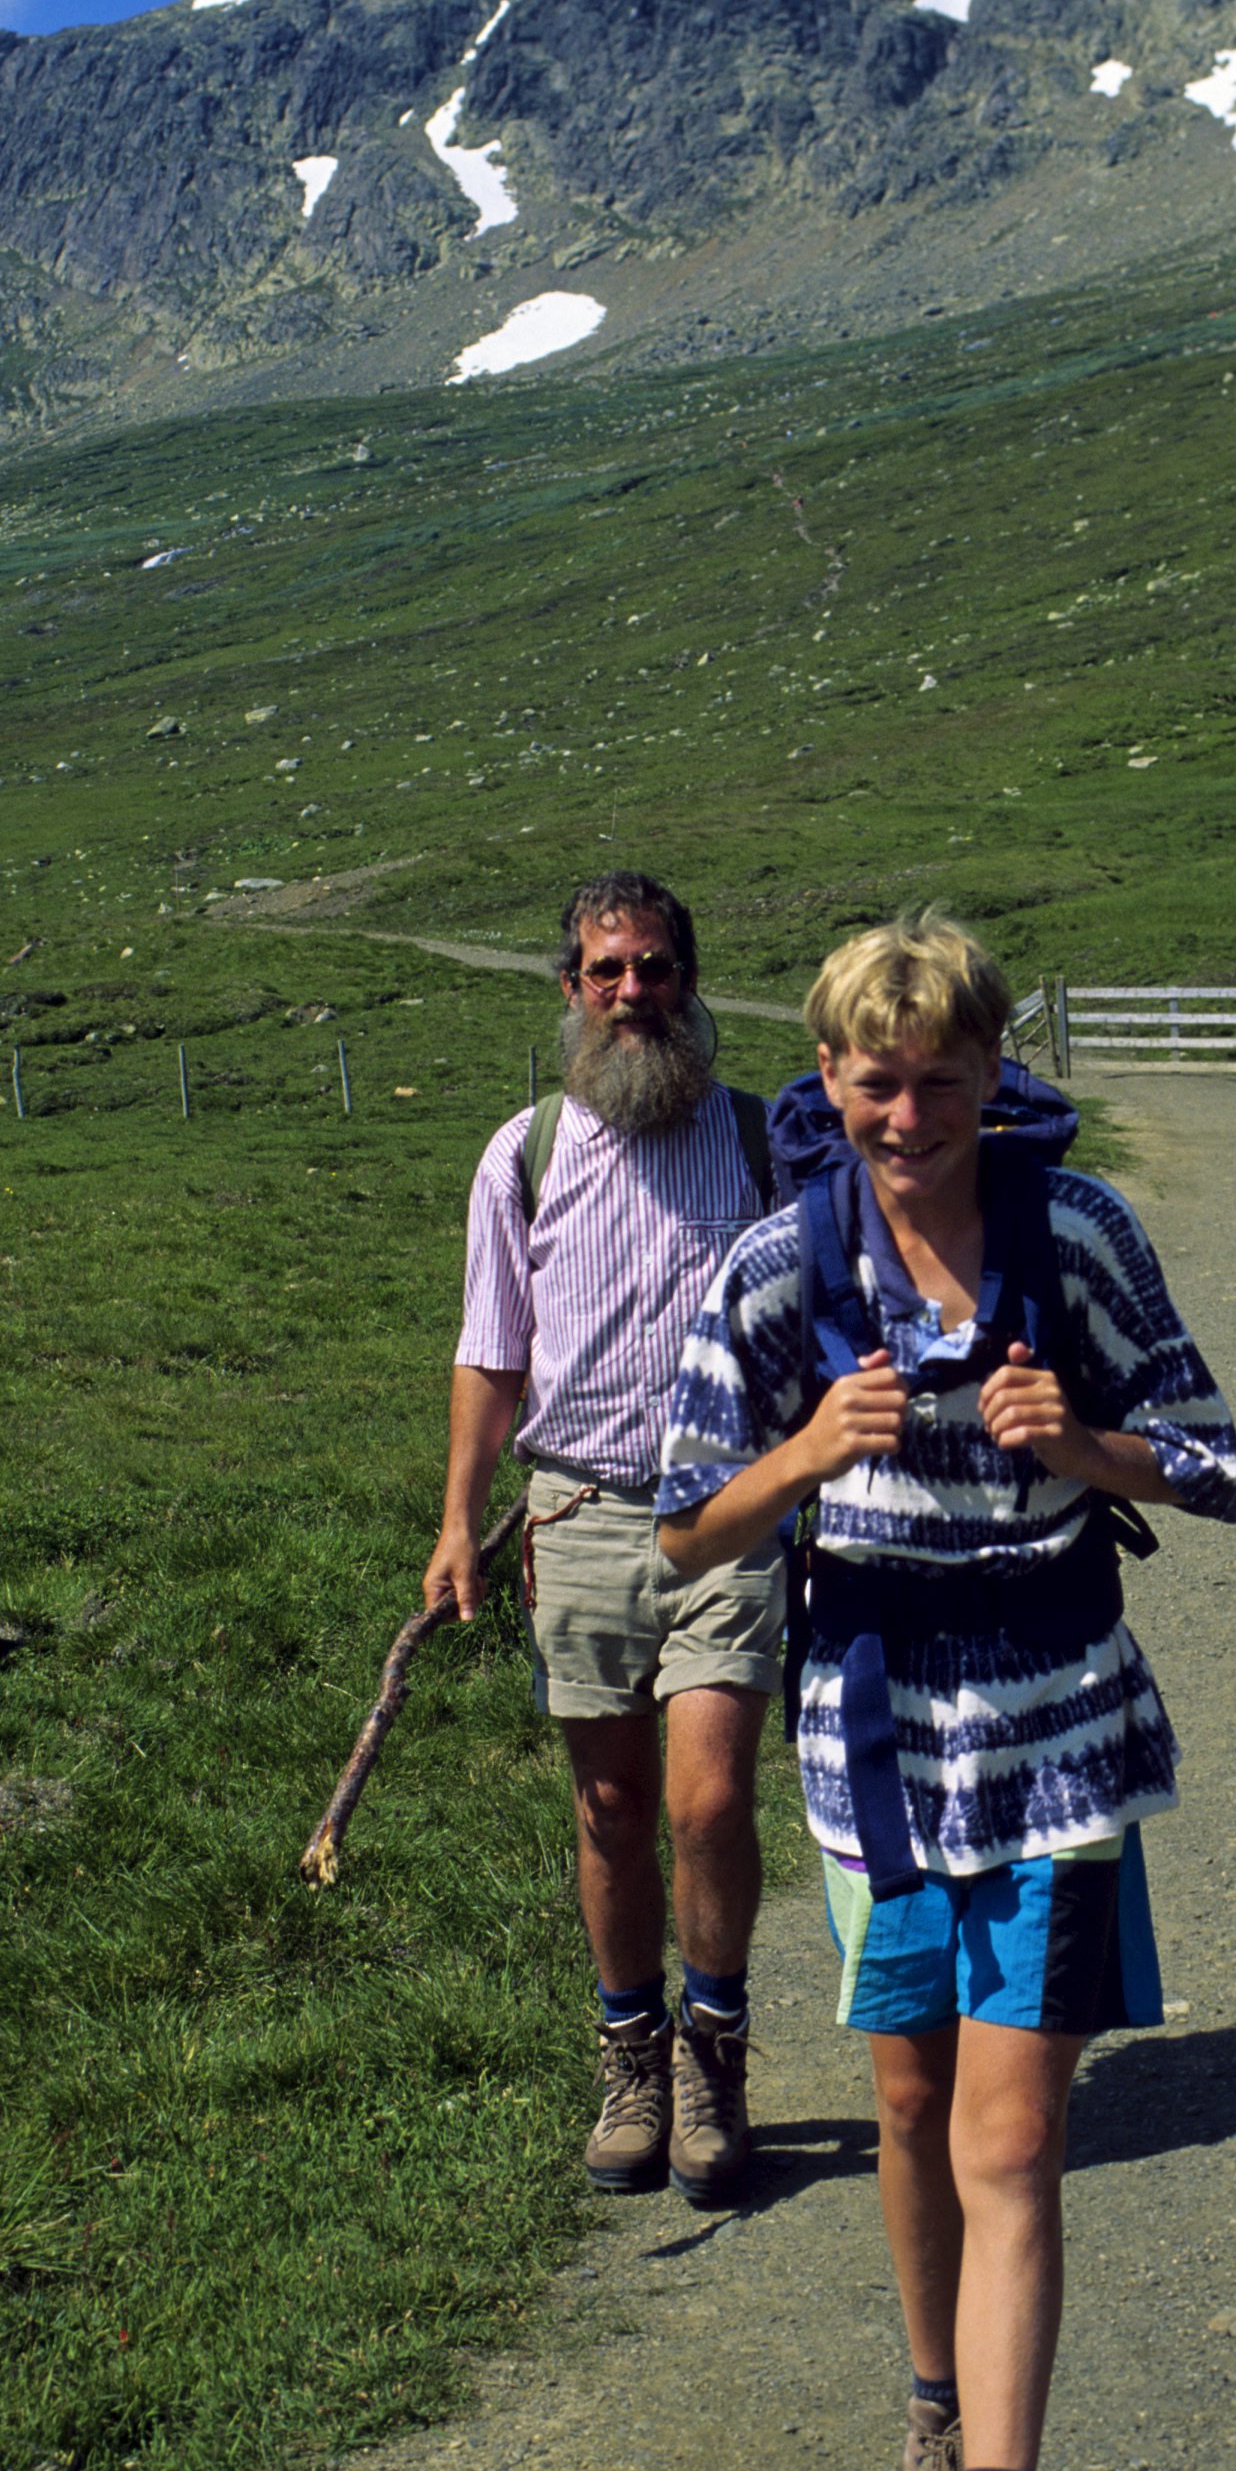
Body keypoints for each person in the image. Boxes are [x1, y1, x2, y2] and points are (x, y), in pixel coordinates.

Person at [656, 916, 1236, 2471]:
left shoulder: (1079, 1242)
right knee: (908, 2108)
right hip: (873, 1752)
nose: (907, 1109)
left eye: (941, 1074)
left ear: (998, 1072)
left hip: (1060, 1745)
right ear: (827, 1080)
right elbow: (682, 1529)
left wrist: (1092, 1444)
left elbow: (1215, 1454)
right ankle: (931, 2416)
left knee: (1011, 2136)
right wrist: (803, 1457)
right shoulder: (771, 1273)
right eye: (873, 1077)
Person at [426, 872, 786, 2209]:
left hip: (728, 1510)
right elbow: (488, 1353)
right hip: (574, 1511)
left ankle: (713, 2059)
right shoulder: (521, 1156)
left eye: (654, 968)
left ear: (689, 979)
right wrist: (460, 1522)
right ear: (569, 991)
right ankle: (627, 2057)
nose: (632, 992)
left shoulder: (760, 1144)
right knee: (611, 1806)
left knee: (705, 1802)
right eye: (604, 972)